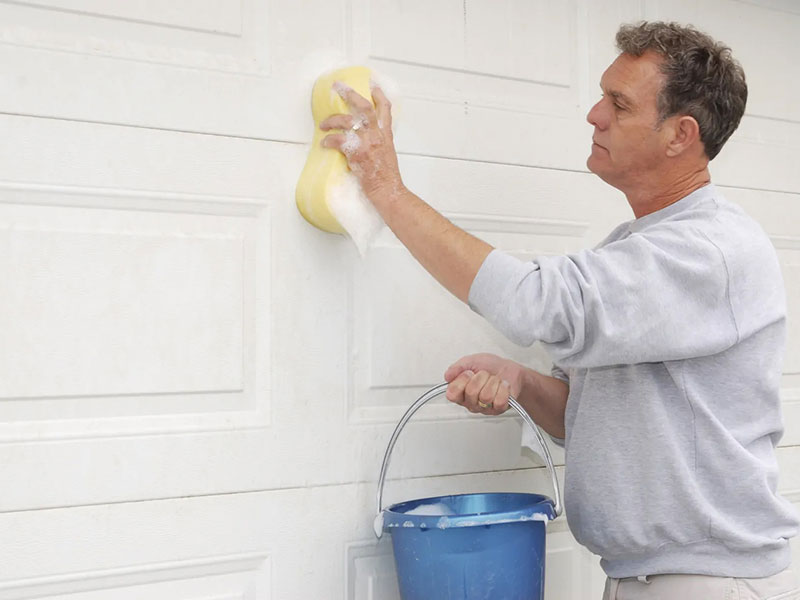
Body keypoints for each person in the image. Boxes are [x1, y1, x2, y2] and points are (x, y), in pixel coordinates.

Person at [320, 20, 800, 600]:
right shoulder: (635, 249)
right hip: (643, 578)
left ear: (681, 134)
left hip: (708, 582)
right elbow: (587, 417)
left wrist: (386, 190)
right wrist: (520, 381)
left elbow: (531, 300)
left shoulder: (711, 251)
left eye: (618, 104)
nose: (594, 114)